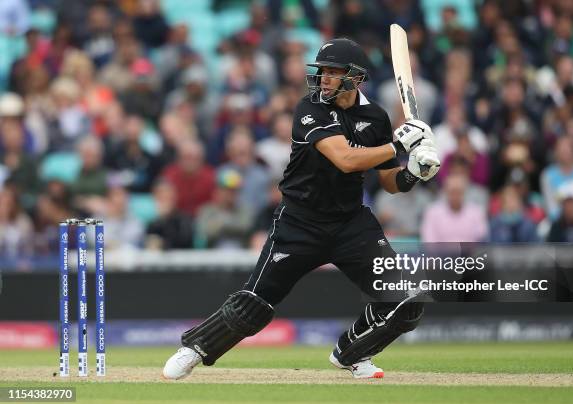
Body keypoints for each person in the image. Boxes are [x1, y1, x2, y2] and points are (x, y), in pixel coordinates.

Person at [163, 38, 440, 380]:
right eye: (321, 71)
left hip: (351, 223)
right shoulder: (309, 108)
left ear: (354, 77)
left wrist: (414, 172)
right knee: (255, 305)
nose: (324, 78)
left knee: (406, 301)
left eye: (333, 72)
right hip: (299, 222)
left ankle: (353, 353)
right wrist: (398, 144)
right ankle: (194, 349)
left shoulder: (375, 117)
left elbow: (388, 182)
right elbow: (345, 158)